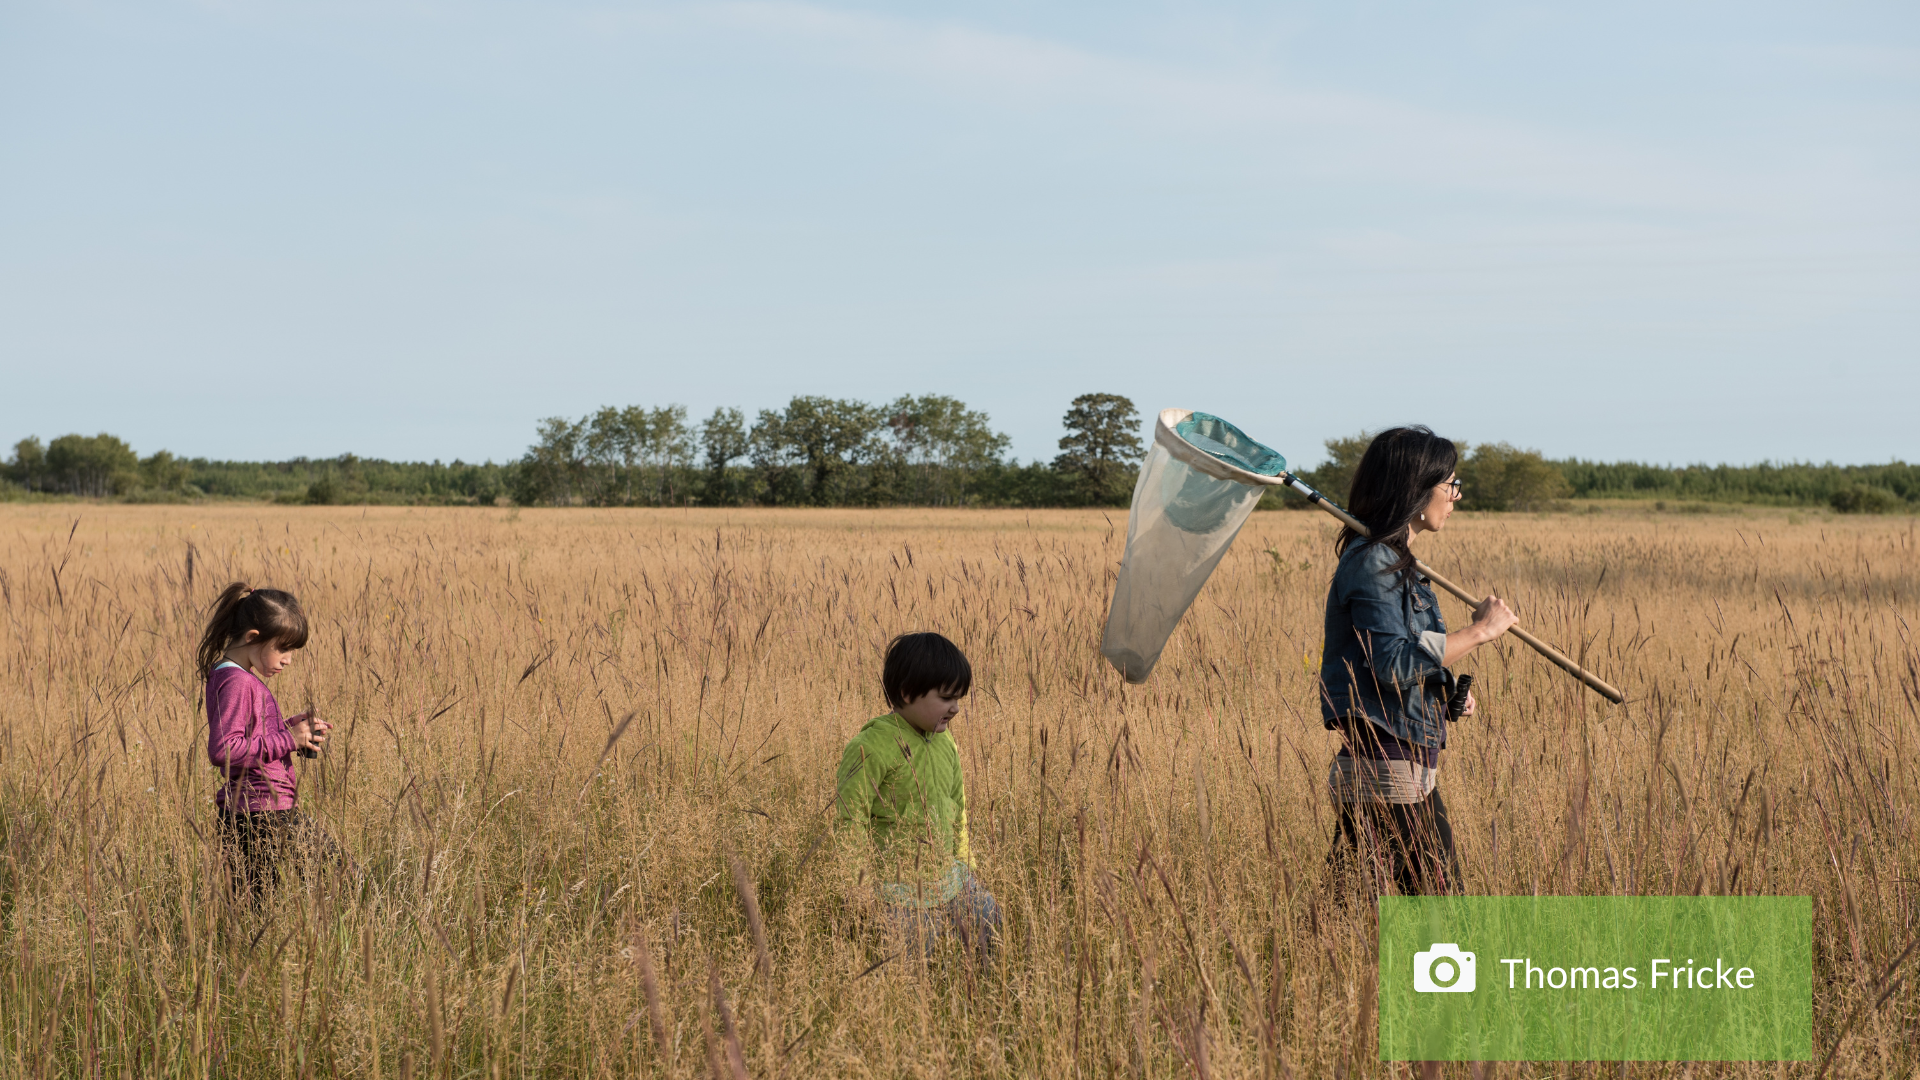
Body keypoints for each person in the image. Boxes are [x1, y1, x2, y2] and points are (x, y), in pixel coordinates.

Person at [1319, 427, 1517, 896]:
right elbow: (1392, 665)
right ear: (1416, 488)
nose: (1456, 497)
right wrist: (1479, 632)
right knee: (1441, 912)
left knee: (1348, 914)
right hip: (1388, 770)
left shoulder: (1395, 564)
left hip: (1398, 766)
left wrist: (1443, 694)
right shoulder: (1373, 564)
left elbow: (1406, 666)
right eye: (1450, 485)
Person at [834, 632, 1001, 963]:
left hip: (948, 876)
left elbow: (958, 810)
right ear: (908, 693)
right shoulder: (872, 747)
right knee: (909, 966)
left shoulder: (945, 743)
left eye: (959, 699)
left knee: (989, 919)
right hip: (898, 891)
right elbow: (849, 821)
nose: (955, 708)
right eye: (945, 698)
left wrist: (965, 863)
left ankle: (985, 996)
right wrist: (859, 889)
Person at [196, 582, 341, 899]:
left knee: (256, 910)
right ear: (252, 638)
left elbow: (252, 736)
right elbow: (224, 750)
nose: (288, 659)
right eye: (284, 649)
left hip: (261, 811)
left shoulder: (235, 676)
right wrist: (289, 738)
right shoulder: (235, 681)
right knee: (343, 882)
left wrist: (293, 729)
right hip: (259, 815)